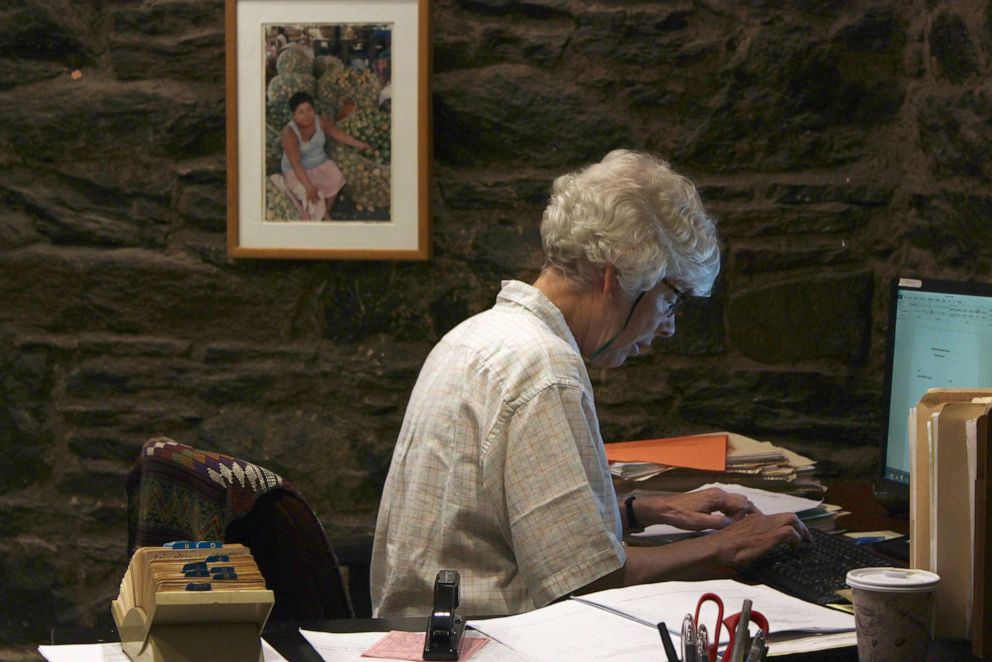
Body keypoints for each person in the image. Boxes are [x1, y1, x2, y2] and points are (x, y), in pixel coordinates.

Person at [370, 150, 811, 618]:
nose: (669, 327)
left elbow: (506, 528)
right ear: (616, 278)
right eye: (672, 300)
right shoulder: (545, 372)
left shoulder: (478, 337)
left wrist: (637, 510)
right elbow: (589, 583)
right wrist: (728, 547)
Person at [280, 91, 370, 221]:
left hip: (319, 162)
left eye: (309, 110)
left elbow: (340, 135)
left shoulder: (320, 122)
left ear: (313, 109)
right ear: (293, 114)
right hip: (297, 171)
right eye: (301, 112)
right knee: (314, 194)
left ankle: (325, 212)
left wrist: (361, 145)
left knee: (336, 177)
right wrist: (309, 187)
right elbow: (296, 163)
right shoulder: (289, 133)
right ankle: (327, 219)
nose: (306, 115)